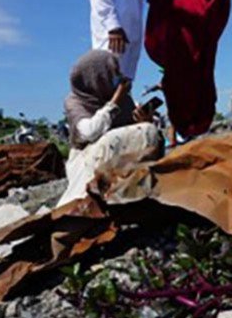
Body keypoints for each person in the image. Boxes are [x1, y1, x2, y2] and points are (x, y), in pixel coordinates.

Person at [144, 0, 232, 143]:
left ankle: (198, 134)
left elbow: (210, 3)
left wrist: (220, 0)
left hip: (202, 40)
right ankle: (181, 135)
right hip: (180, 38)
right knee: (180, 86)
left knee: (203, 85)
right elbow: (161, 1)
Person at [57, 50, 162, 207]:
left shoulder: (124, 100)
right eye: (113, 74)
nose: (118, 79)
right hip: (86, 157)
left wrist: (143, 120)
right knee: (117, 139)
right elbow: (89, 133)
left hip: (117, 158)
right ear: (98, 77)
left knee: (149, 132)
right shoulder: (75, 102)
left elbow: (130, 131)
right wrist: (114, 102)